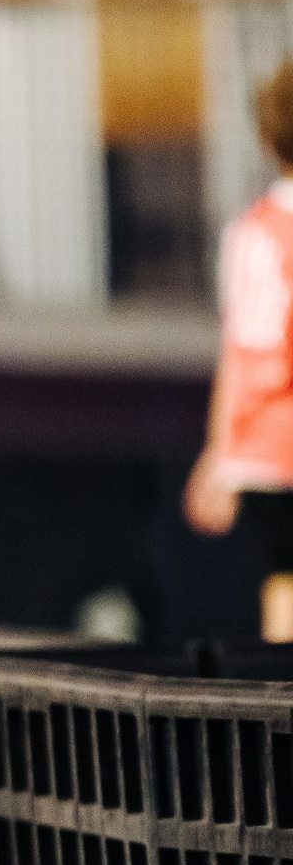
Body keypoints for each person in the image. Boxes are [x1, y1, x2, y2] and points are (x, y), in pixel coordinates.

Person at [186, 59, 293, 639]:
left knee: (282, 584)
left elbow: (238, 348)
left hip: (260, 446)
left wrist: (219, 452)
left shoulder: (250, 228)